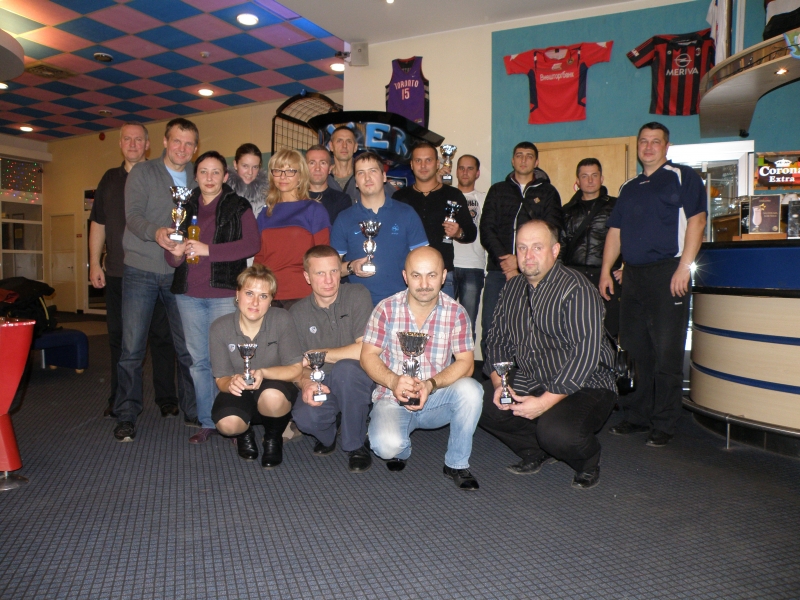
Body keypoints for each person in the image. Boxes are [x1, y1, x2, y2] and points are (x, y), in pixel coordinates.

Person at [480, 220, 618, 489]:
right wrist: (500, 385)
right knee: (477, 402)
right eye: (522, 248)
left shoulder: (576, 288)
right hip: (534, 375)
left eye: (537, 247)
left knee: (557, 433)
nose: (528, 255)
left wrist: (544, 404)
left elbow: (584, 355)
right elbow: (496, 340)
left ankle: (588, 460)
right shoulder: (512, 289)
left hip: (587, 383)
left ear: (555, 251)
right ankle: (535, 449)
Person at [599, 122, 707, 447]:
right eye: (643, 141)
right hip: (633, 277)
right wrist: (606, 270)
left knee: (666, 351)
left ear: (666, 146)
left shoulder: (683, 176)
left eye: (655, 141)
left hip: (668, 273)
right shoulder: (629, 186)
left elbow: (697, 221)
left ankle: (665, 422)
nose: (648, 147)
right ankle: (636, 416)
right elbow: (615, 232)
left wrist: (684, 268)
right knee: (634, 352)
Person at [360, 246, 483, 491]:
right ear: (405, 276)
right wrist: (394, 381)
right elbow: (367, 356)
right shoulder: (385, 309)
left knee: (472, 390)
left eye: (432, 275)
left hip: (436, 397)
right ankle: (399, 446)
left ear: (443, 276)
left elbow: (466, 363)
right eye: (416, 275)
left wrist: (430, 384)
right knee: (387, 447)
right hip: (392, 397)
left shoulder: (457, 313)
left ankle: (456, 464)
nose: (424, 284)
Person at [112, 117, 200, 442]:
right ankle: (126, 415)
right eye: (177, 141)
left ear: (195, 148)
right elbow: (133, 216)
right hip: (141, 269)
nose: (182, 148)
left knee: (187, 347)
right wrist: (157, 233)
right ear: (164, 141)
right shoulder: (143, 173)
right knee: (132, 349)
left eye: (189, 143)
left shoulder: (197, 176)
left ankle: (194, 410)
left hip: (179, 272)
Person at [166, 151, 261, 444]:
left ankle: (233, 418)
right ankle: (208, 421)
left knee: (229, 360)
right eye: (203, 172)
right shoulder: (183, 207)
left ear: (225, 176)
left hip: (223, 292)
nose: (209, 178)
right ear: (195, 176)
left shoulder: (238, 205)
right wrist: (175, 253)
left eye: (215, 172)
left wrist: (208, 250)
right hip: (188, 295)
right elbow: (172, 260)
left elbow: (252, 244)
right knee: (199, 362)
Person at [89, 122, 180, 420]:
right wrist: (95, 262)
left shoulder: (160, 175)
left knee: (163, 337)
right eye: (127, 139)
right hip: (118, 272)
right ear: (120, 144)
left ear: (148, 144)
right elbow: (98, 223)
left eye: (138, 139)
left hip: (156, 270)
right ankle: (119, 399)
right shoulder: (109, 179)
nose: (132, 144)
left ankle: (167, 398)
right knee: (121, 340)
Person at [289, 245, 374, 472]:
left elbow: (364, 350)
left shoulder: (357, 294)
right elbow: (296, 365)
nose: (328, 280)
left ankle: (355, 444)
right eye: (320, 273)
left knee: (346, 370)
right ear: (307, 277)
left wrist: (318, 354)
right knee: (305, 418)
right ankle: (329, 435)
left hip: (355, 377)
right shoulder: (296, 313)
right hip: (322, 380)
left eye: (334, 271)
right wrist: (306, 383)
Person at [210, 264, 303, 468]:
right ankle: (245, 433)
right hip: (240, 391)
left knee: (272, 396)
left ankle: (273, 437)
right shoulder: (220, 327)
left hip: (274, 387)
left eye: (263, 296)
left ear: (271, 300)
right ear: (237, 294)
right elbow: (221, 378)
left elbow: (296, 369)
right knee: (227, 424)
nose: (255, 302)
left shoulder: (282, 319)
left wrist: (263, 372)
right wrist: (231, 383)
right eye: (249, 293)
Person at [479, 142, 562, 355]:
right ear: (512, 160)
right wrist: (507, 263)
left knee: (531, 329)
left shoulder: (548, 192)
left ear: (536, 162)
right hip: (498, 271)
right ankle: (493, 375)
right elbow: (487, 228)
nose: (523, 160)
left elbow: (552, 230)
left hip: (535, 273)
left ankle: (527, 373)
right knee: (491, 327)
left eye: (529, 156)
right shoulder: (498, 190)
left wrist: (520, 260)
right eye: (519, 155)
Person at [330, 151, 428, 306]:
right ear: (356, 182)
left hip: (400, 303)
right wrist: (351, 267)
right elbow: (332, 269)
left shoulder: (406, 213)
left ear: (384, 177)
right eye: (361, 173)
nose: (367, 178)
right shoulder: (344, 219)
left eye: (372, 171)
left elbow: (425, 261)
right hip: (358, 306)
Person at [393, 142, 477, 300]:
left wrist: (458, 232)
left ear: (438, 163)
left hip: (443, 277)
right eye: (418, 160)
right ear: (411, 165)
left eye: (428, 160)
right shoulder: (399, 197)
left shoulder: (453, 195)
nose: (423, 165)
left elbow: (471, 233)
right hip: (407, 276)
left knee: (443, 317)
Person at [253, 148, 331, 309]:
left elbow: (323, 257)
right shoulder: (265, 214)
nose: (283, 176)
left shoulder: (314, 210)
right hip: (270, 295)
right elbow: (259, 259)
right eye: (278, 170)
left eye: (290, 171)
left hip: (303, 295)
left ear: (301, 175)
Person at [560, 158, 621, 336]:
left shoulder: (616, 206)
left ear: (601, 178)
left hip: (606, 276)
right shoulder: (567, 210)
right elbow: (560, 245)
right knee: (575, 330)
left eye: (594, 175)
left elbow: (630, 238)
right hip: (574, 276)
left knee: (609, 331)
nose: (590, 180)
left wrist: (627, 269)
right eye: (585, 176)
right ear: (578, 181)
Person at [453, 154, 487, 336]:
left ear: (477, 173)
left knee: (467, 327)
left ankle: (466, 357)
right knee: (442, 323)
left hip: (473, 266)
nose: (465, 172)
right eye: (461, 168)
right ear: (456, 171)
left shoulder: (484, 199)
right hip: (447, 266)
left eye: (470, 168)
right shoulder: (446, 195)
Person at [326, 125, 397, 203]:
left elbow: (396, 199)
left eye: (349, 141)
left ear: (355, 147)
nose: (344, 146)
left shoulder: (369, 175)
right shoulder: (323, 176)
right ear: (331, 146)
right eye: (339, 141)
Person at [306, 144, 352, 224]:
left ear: (330, 169)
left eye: (323, 163)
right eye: (312, 163)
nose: (317, 168)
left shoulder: (342, 200)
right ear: (304, 168)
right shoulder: (295, 198)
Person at [226, 143, 268, 218]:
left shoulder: (267, 194)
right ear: (235, 164)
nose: (250, 172)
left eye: (255, 167)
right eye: (245, 166)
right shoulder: (223, 191)